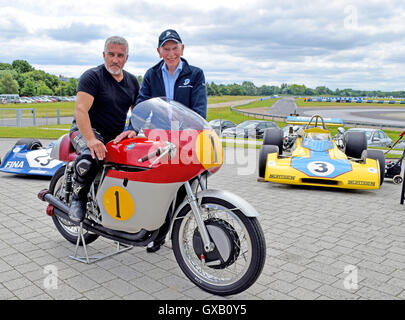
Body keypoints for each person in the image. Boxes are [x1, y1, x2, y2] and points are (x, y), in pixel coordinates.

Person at [68, 36, 139, 223]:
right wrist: (91, 140)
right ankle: (78, 197)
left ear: (126, 58)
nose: (115, 59)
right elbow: (81, 110)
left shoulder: (132, 81)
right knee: (91, 157)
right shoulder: (92, 77)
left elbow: (139, 113)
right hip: (86, 130)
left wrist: (136, 129)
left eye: (120, 55)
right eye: (111, 54)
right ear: (104, 55)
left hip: (114, 135)